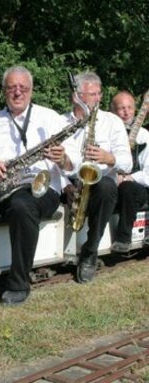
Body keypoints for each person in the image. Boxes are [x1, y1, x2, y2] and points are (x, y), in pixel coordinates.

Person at [0, 65, 79, 306]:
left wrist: (62, 158)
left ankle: (18, 283)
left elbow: (73, 164)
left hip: (40, 188)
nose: (18, 92)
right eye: (12, 87)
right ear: (4, 91)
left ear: (31, 90)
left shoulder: (50, 118)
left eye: (23, 88)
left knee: (22, 205)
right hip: (1, 187)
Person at [62, 72, 132, 283]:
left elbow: (127, 162)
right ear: (76, 96)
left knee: (107, 187)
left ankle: (90, 251)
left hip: (100, 183)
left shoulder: (112, 122)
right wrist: (65, 185)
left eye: (98, 94)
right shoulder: (60, 121)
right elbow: (51, 163)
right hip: (69, 182)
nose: (97, 99)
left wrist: (109, 158)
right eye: (90, 94)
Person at [109, 91, 149, 253]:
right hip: (111, 186)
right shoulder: (108, 133)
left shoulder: (145, 136)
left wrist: (129, 177)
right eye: (121, 108)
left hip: (138, 189)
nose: (126, 112)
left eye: (130, 108)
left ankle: (123, 239)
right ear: (113, 112)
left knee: (128, 188)